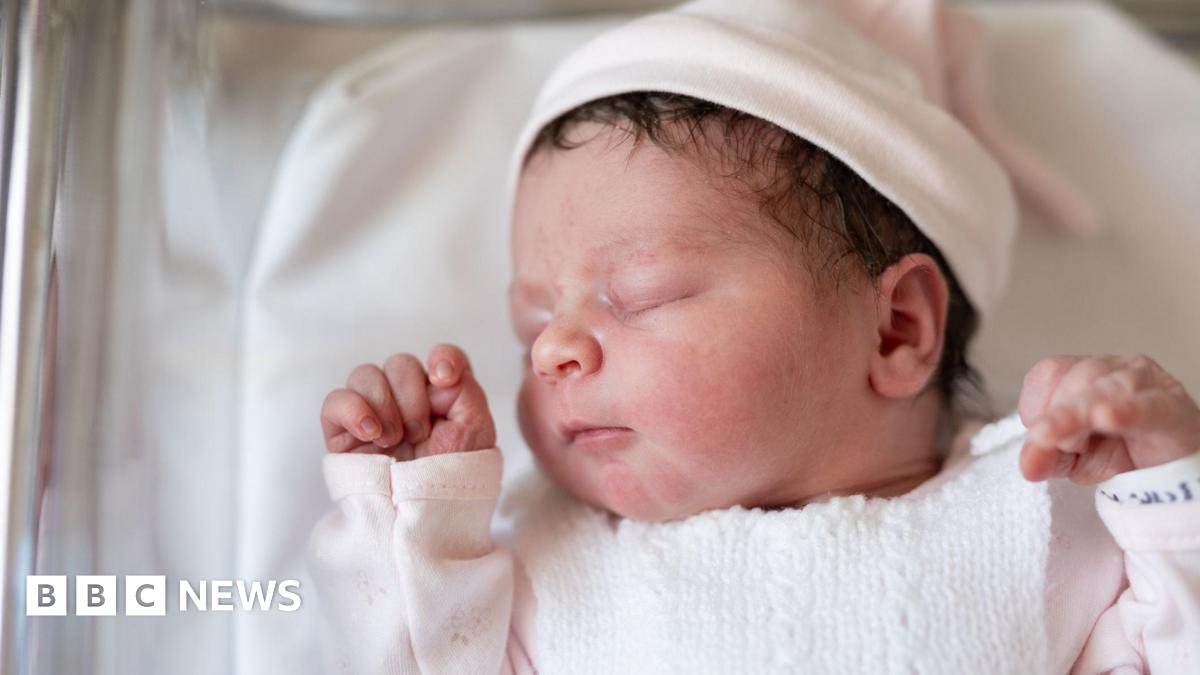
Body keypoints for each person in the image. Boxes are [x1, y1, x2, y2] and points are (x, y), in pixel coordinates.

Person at [307, 1, 1200, 672]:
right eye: (532, 322)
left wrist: (1168, 494)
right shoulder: (537, 564)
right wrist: (415, 517)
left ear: (895, 328)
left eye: (637, 294)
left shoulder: (1035, 518)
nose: (549, 352)